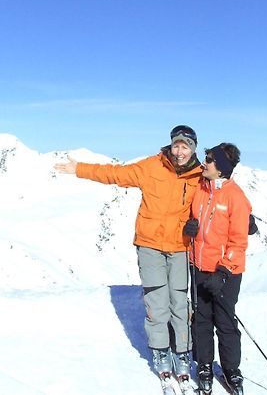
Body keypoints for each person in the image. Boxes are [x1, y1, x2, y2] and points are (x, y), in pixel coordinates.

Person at [54, 125, 202, 381]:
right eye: (177, 145)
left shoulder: (200, 176)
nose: (180, 151)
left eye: (185, 146)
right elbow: (115, 174)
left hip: (180, 246)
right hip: (150, 244)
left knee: (179, 302)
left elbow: (216, 204)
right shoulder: (151, 166)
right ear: (171, 145)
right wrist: (79, 169)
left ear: (193, 149)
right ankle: (160, 351)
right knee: (156, 300)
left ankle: (182, 352)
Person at [183, 142, 252, 395]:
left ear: (221, 168)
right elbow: (192, 219)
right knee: (201, 319)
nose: (205, 162)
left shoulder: (235, 197)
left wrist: (223, 272)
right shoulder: (201, 189)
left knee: (224, 321)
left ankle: (231, 370)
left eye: (210, 159)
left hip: (226, 272)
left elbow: (239, 241)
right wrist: (188, 228)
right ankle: (203, 364)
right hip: (199, 266)